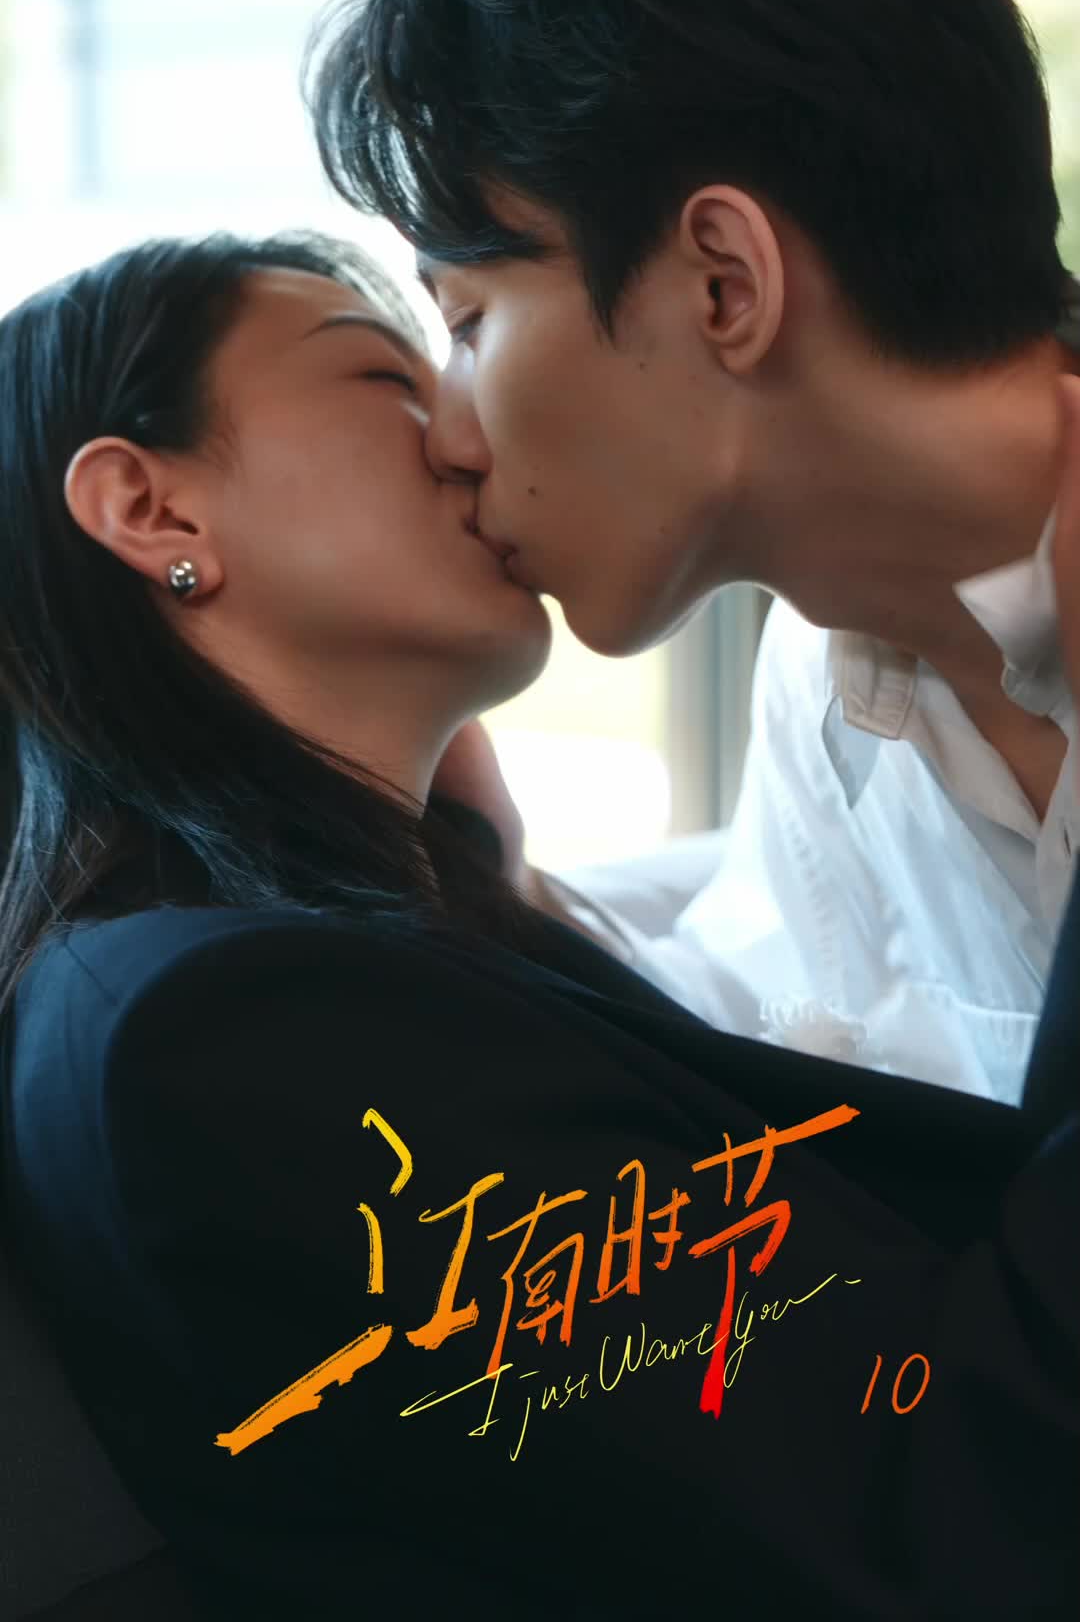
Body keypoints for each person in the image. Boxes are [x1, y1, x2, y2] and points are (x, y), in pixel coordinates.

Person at [0, 229, 1075, 1621]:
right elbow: (953, 1500)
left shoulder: (283, 970)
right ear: (150, 509)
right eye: (389, 376)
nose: (468, 435)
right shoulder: (222, 1034)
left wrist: (454, 861)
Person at [303, 0, 1080, 1108]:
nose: (449, 435)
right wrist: (477, 865)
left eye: (470, 323)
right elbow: (771, 1015)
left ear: (724, 284)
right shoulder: (835, 678)